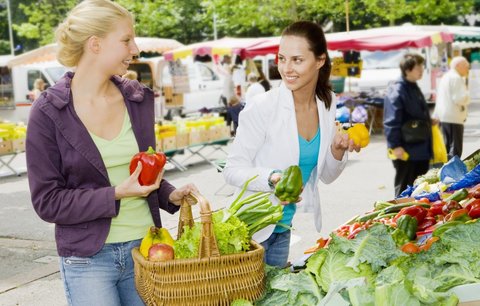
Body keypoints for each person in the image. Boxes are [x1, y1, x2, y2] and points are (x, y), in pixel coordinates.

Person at [25, 1, 198, 305]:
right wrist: (116, 193)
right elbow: (47, 202)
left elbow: (140, 173)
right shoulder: (49, 111)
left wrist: (169, 194)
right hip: (88, 259)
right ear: (95, 44)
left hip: (147, 250)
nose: (135, 48)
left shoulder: (138, 99)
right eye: (126, 40)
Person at [223, 21, 360, 268]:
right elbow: (232, 170)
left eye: (297, 60)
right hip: (248, 232)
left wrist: (337, 151)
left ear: (319, 60)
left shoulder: (326, 104)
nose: (287, 68)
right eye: (282, 58)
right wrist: (272, 178)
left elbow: (326, 176)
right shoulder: (263, 106)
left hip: (283, 228)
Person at [383, 53, 434, 197]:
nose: (421, 70)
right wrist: (395, 145)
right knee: (405, 188)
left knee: (419, 187)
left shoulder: (412, 86)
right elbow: (391, 120)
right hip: (406, 149)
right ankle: (400, 216)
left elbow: (414, 114)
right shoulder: (398, 89)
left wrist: (428, 121)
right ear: (408, 69)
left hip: (420, 147)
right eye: (418, 67)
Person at [433, 56, 470, 160]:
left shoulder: (446, 76)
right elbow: (459, 99)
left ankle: (444, 172)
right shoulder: (456, 78)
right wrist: (468, 96)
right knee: (455, 150)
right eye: (466, 66)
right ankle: (452, 174)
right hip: (454, 118)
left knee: (447, 147)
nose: (468, 69)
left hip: (444, 117)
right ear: (458, 66)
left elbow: (439, 98)